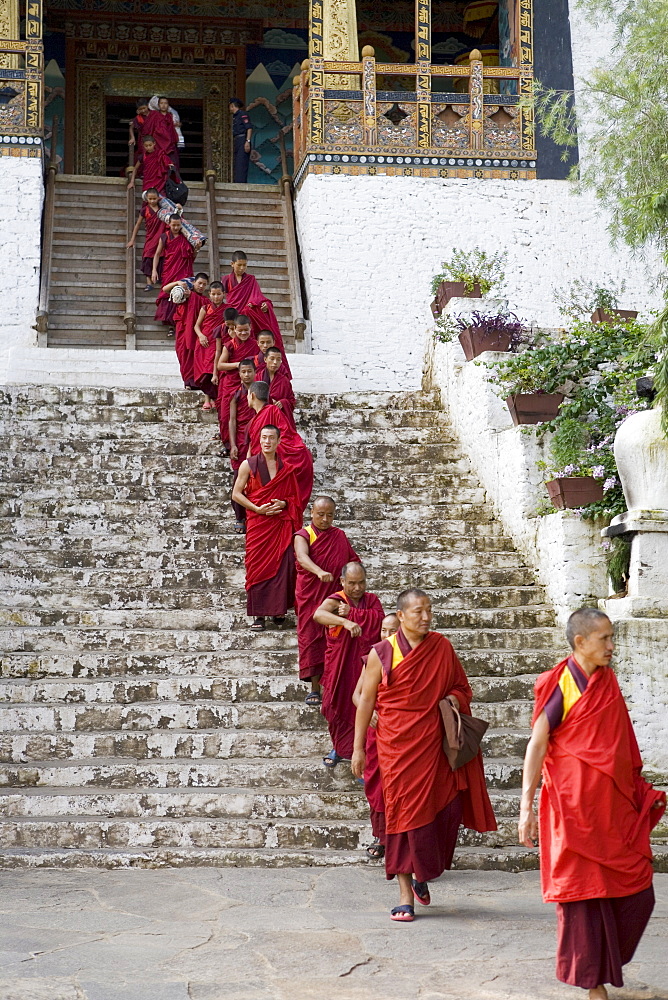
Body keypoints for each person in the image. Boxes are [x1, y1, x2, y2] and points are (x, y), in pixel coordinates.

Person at [518, 607, 666, 1000]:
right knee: (584, 896)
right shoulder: (561, 682)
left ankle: (602, 964)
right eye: (605, 639)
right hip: (572, 810)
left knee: (639, 894)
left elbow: (619, 746)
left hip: (612, 808)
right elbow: (537, 743)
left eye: (612, 638)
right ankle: (592, 981)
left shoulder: (606, 681)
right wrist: (526, 807)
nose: (612, 647)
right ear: (580, 642)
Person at [352, 588, 497, 923]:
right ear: (401, 616)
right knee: (400, 819)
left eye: (429, 610)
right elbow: (366, 702)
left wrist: (452, 702)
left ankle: (423, 873)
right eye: (418, 612)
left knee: (445, 811)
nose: (426, 617)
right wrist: (359, 747)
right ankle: (405, 895)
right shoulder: (382, 653)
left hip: (434, 746)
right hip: (396, 747)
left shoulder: (441, 647)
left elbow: (462, 688)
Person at [232, 424, 302, 631]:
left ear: (279, 441)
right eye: (263, 437)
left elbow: (295, 498)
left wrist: (285, 504)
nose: (267, 442)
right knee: (256, 566)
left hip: (280, 525)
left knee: (282, 566)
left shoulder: (286, 468)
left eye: (272, 438)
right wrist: (257, 509)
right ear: (258, 440)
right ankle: (259, 615)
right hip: (258, 524)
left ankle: (279, 611)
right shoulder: (248, 465)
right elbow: (236, 494)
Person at [313, 562, 384, 768]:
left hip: (363, 666)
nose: (357, 588)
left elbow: (380, 620)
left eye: (361, 583)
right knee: (336, 705)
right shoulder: (337, 600)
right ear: (342, 581)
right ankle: (339, 747)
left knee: (364, 704)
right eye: (352, 583)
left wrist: (352, 613)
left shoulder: (372, 600)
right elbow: (318, 615)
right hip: (340, 666)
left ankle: (363, 753)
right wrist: (345, 621)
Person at [293, 497, 359, 706]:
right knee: (311, 638)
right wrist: (319, 571)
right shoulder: (304, 535)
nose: (325, 519)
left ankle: (336, 686)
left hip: (334, 594)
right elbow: (302, 557)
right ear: (312, 512)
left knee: (336, 639)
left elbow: (352, 560)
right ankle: (315, 688)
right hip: (310, 594)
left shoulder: (338, 535)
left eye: (330, 515)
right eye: (321, 514)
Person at [352, 612, 400, 859]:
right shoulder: (376, 655)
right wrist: (368, 710)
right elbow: (357, 695)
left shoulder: (411, 657)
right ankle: (381, 836)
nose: (387, 635)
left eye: (393, 631)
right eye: (384, 630)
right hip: (377, 731)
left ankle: (400, 840)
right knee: (377, 785)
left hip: (401, 731)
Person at [222, 252, 291, 377]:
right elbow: (224, 301)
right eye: (239, 265)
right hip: (233, 319)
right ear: (232, 264)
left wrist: (265, 306)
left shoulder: (251, 280)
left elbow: (258, 297)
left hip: (248, 319)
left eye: (245, 265)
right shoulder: (226, 279)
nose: (242, 268)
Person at [246, 382, 313, 510]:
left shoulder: (272, 411)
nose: (247, 398)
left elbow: (286, 437)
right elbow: (254, 446)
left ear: (252, 395)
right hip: (262, 467)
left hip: (277, 465)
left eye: (248, 395)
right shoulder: (256, 419)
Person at [215, 314, 259, 449]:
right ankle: (227, 444)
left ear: (251, 328)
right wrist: (238, 365)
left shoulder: (255, 345)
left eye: (246, 330)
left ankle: (246, 444)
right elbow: (220, 365)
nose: (243, 333)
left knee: (247, 416)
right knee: (225, 416)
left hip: (248, 384)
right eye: (240, 331)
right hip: (231, 383)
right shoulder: (229, 345)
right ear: (234, 329)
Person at [229, 358, 257, 533]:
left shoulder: (260, 392)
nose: (246, 375)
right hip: (240, 440)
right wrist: (232, 444)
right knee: (238, 479)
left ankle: (253, 515)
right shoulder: (236, 393)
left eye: (249, 371)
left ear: (255, 372)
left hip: (256, 439)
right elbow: (232, 420)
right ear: (239, 374)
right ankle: (240, 516)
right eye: (243, 371)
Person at [153, 215, 197, 327]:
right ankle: (169, 323)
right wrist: (154, 270)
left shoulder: (186, 237)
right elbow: (157, 254)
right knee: (168, 292)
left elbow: (191, 256)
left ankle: (180, 322)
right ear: (169, 224)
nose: (176, 227)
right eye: (174, 225)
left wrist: (196, 249)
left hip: (183, 269)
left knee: (182, 292)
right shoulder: (164, 236)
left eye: (178, 225)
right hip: (169, 269)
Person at [171, 272, 208, 389]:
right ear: (193, 283)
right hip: (183, 330)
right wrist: (177, 282)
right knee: (184, 355)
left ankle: (196, 382)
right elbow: (165, 289)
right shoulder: (185, 294)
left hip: (197, 332)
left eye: (204, 284)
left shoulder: (206, 300)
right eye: (199, 283)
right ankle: (188, 382)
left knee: (195, 356)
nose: (201, 286)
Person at [126, 186, 167, 292]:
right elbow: (138, 224)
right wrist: (132, 239)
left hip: (161, 237)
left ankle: (158, 278)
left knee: (161, 258)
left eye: (154, 199)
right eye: (150, 199)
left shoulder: (163, 210)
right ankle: (149, 282)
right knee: (148, 257)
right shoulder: (145, 210)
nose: (152, 201)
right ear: (147, 199)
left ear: (158, 198)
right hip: (150, 237)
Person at [193, 280, 226, 407]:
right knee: (206, 371)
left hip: (219, 342)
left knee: (215, 370)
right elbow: (196, 326)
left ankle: (211, 399)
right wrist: (201, 336)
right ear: (209, 294)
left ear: (223, 294)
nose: (216, 297)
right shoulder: (205, 308)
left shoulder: (227, 309)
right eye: (213, 294)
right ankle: (208, 399)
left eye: (219, 294)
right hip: (205, 342)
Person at [261, 347, 296, 426]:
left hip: (278, 420)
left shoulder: (284, 381)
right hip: (261, 418)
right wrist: (269, 401)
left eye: (278, 359)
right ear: (265, 359)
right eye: (272, 359)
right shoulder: (257, 377)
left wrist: (283, 402)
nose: (275, 362)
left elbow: (292, 401)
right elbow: (251, 398)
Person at [144, 95, 179, 164]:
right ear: (158, 105)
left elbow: (171, 129)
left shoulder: (170, 116)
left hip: (169, 143)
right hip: (157, 142)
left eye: (165, 103)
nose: (163, 105)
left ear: (168, 105)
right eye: (161, 103)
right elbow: (149, 128)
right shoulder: (154, 115)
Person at [230, 97, 253, 184]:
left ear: (232, 106)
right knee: (238, 162)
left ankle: (241, 183)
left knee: (242, 162)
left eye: (230, 106)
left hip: (243, 139)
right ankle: (237, 181)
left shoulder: (242, 114)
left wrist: (248, 141)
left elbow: (249, 128)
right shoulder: (235, 117)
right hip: (237, 140)